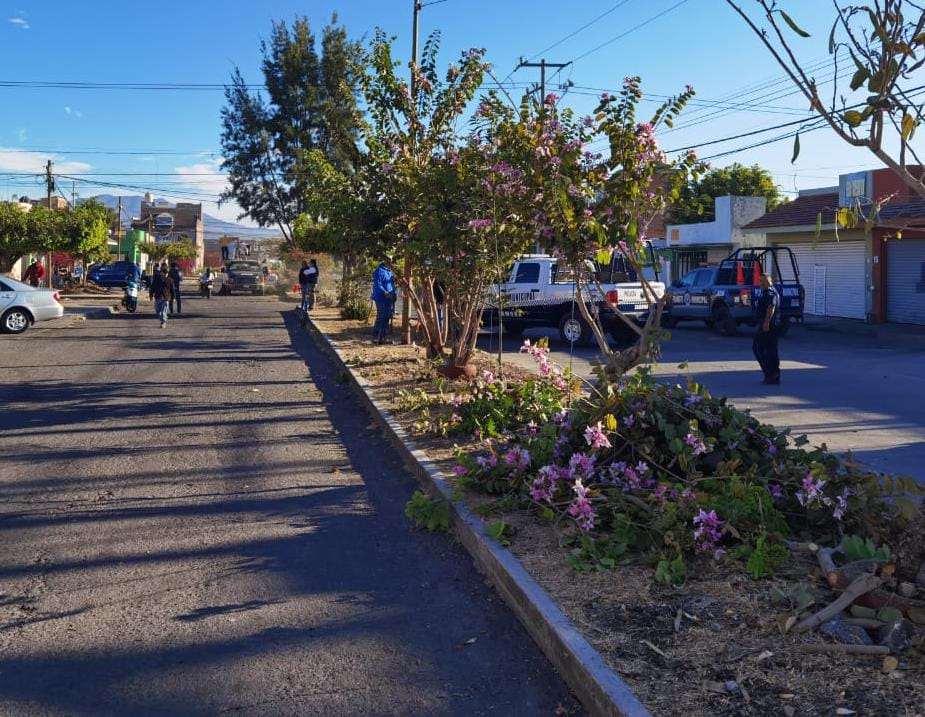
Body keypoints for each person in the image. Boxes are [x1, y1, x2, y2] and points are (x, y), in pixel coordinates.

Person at [753, 273, 781, 385]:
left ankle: (772, 374)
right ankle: (771, 374)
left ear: (769, 282)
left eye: (763, 282)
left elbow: (771, 307)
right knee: (765, 349)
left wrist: (766, 322)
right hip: (768, 325)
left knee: (763, 349)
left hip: (769, 326)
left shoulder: (770, 292)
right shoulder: (766, 291)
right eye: (760, 281)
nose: (760, 284)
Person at [371, 260, 396, 344]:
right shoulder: (379, 271)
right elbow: (378, 284)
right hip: (381, 298)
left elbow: (392, 284)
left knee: (387, 317)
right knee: (381, 316)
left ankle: (383, 337)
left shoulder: (390, 272)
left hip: (389, 298)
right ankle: (375, 336)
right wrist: (385, 292)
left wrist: (394, 294)